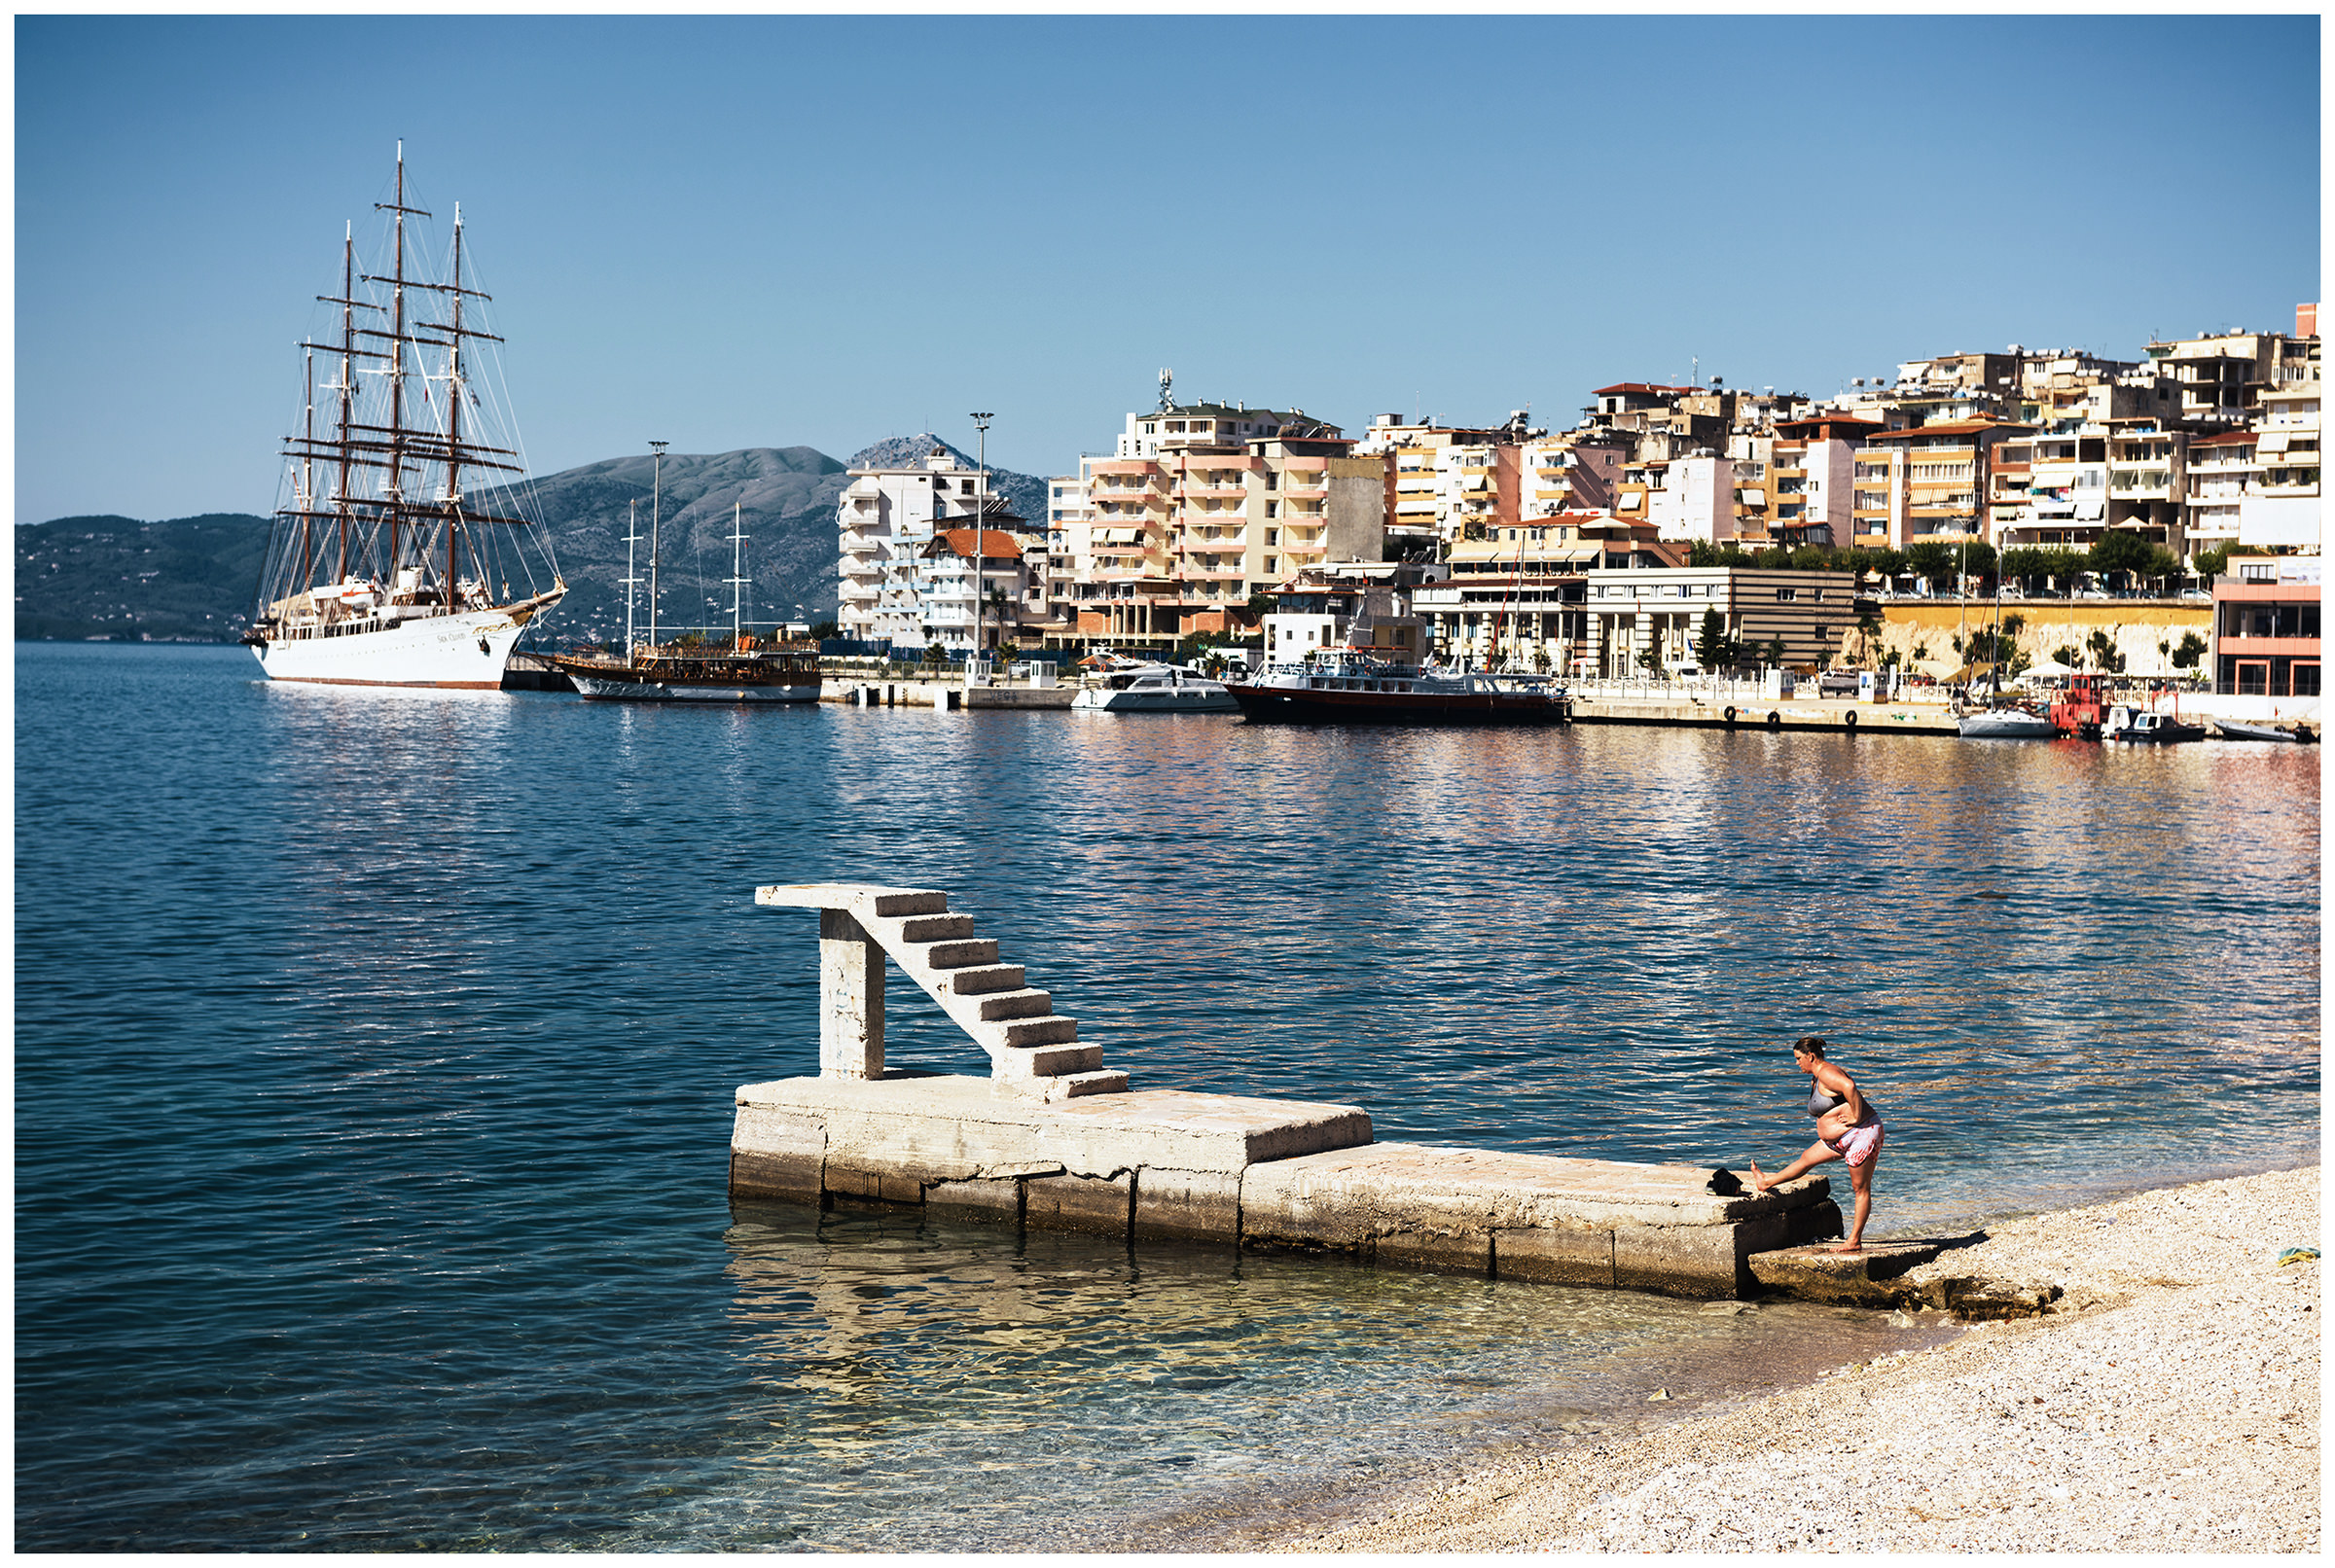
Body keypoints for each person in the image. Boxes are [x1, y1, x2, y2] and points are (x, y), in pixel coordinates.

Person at [1749, 1035, 1884, 1253]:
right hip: (1841, 1138)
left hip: (1862, 1133)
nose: (1796, 1063)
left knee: (1860, 1188)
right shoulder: (1817, 1076)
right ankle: (1766, 1181)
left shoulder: (1827, 1073)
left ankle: (1854, 1240)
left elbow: (1850, 1086)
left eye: (1798, 1058)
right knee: (1806, 1159)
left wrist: (1857, 1117)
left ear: (1810, 1056)